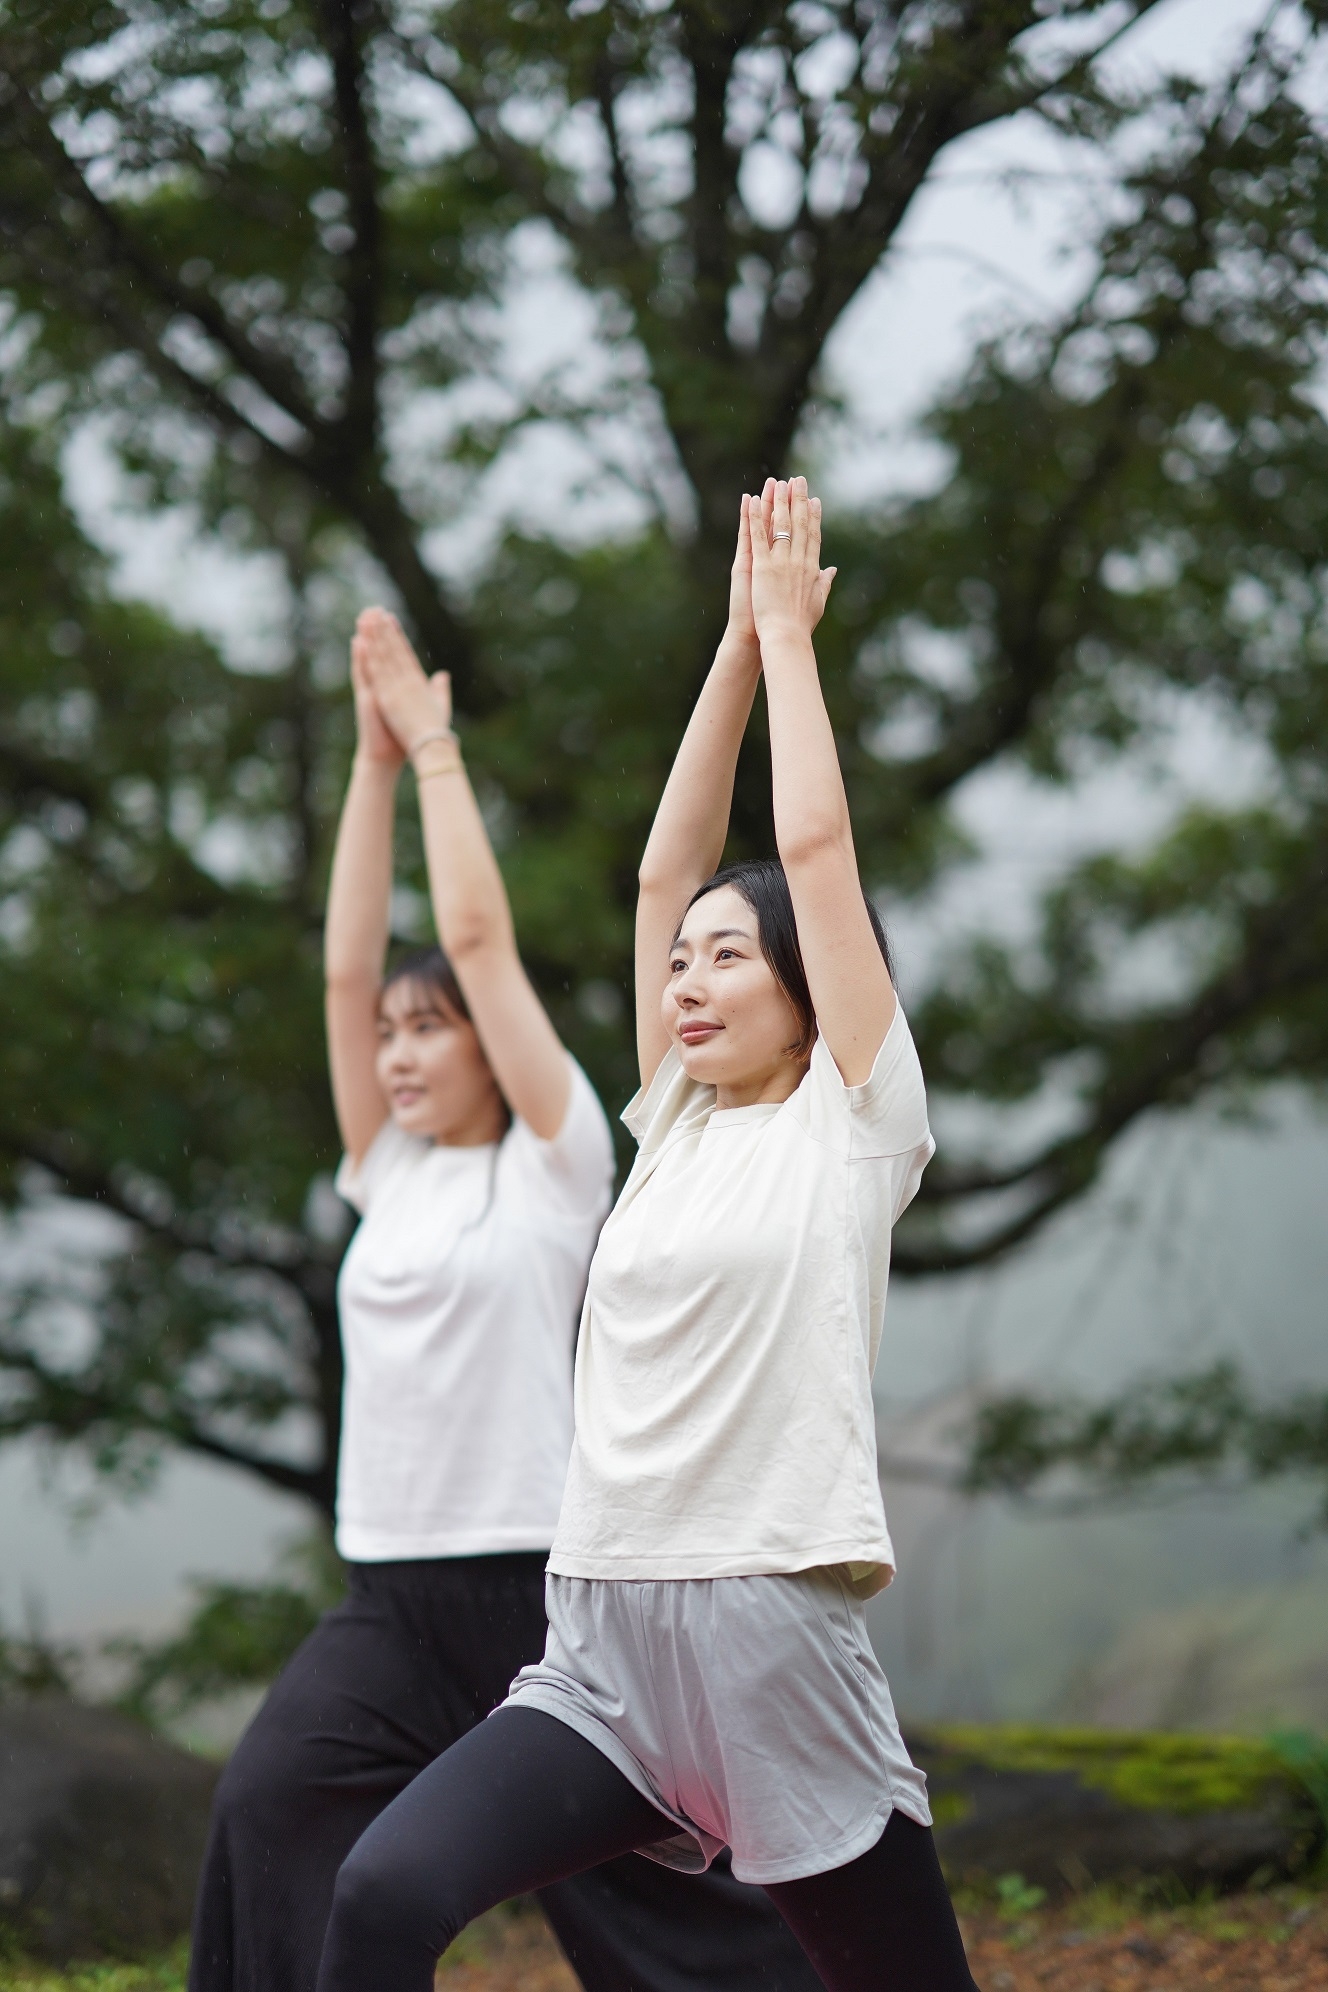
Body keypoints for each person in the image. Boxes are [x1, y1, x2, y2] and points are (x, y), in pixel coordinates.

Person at [314, 478, 981, 1992]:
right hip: (600, 1647)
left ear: (810, 988)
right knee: (380, 1896)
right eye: (677, 966)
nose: (685, 978)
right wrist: (734, 651)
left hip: (767, 1638)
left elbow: (812, 852)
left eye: (726, 961)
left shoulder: (855, 1120)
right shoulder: (671, 1127)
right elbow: (661, 869)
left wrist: (796, 647)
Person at [187, 606, 823, 1992]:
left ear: (493, 1042)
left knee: (650, 1917)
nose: (397, 1054)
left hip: (543, 1595)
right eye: (386, 1040)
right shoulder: (387, 1172)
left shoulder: (560, 1158)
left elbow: (474, 935)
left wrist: (435, 758)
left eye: (430, 1031)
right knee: (269, 1816)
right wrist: (366, 765)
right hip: (390, 1604)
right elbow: (349, 965)